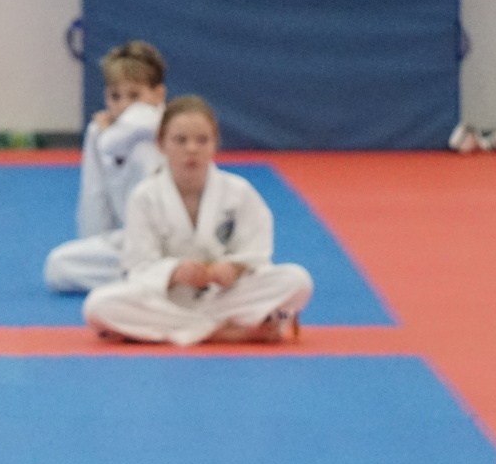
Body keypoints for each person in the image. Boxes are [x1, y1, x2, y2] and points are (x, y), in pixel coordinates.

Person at [82, 95, 311, 345]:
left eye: (202, 140)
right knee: (98, 305)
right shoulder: (144, 196)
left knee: (298, 280)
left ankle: (180, 329)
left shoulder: (239, 192)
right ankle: (224, 331)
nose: (191, 149)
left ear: (215, 143)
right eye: (180, 140)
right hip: (168, 300)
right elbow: (138, 266)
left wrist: (234, 268)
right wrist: (174, 272)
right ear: (161, 144)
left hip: (225, 297)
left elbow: (257, 253)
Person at [43, 40, 167, 292]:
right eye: (115, 96)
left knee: (142, 149)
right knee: (58, 265)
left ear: (158, 94)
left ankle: (155, 276)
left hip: (173, 239)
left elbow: (141, 121)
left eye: (135, 96)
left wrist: (109, 135)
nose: (124, 105)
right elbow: (94, 195)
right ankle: (150, 279)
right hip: (131, 242)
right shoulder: (98, 133)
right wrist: (93, 243)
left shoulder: (165, 126)